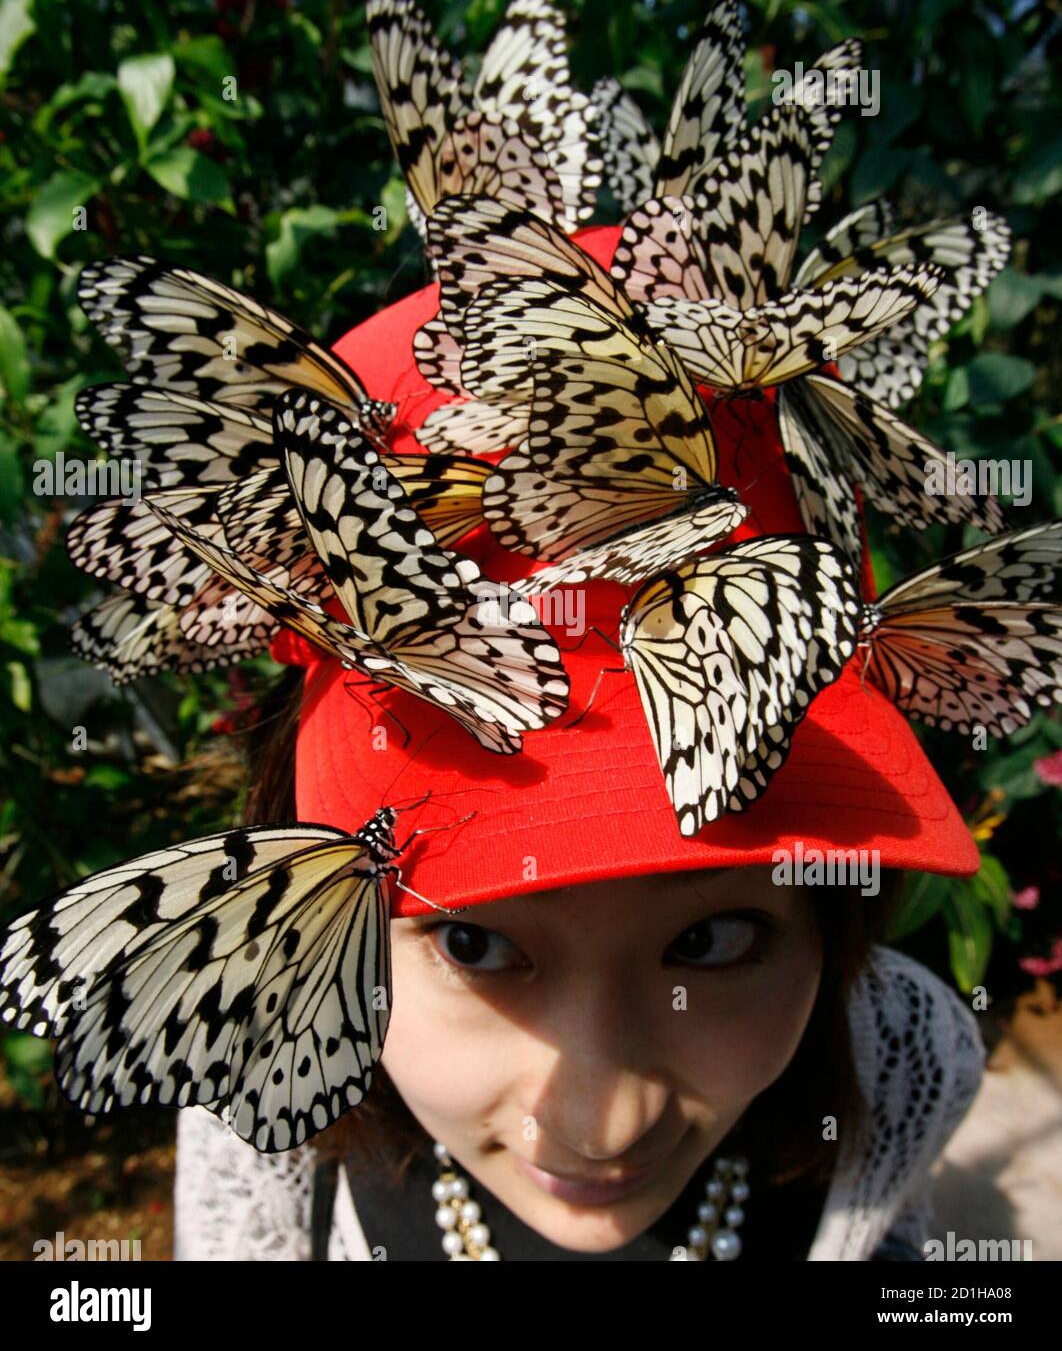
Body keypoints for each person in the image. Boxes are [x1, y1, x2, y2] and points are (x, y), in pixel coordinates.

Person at [171, 226, 987, 1262]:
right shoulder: (255, 1102)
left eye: (714, 939)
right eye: (473, 942)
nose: (604, 1125)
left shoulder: (899, 1067)